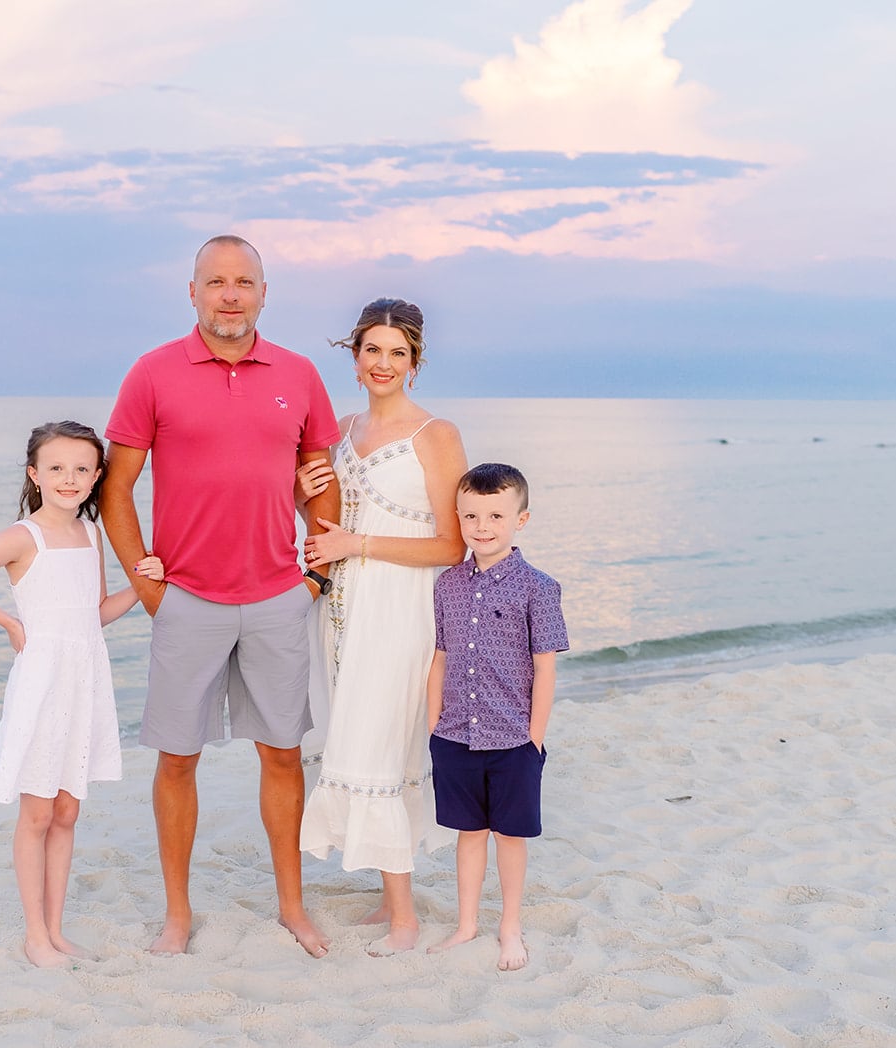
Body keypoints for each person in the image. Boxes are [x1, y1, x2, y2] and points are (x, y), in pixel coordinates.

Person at [100, 235, 342, 958]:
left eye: (244, 281)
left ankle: (292, 906)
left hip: (277, 597)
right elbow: (117, 488)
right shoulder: (152, 372)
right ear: (194, 291)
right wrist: (150, 588)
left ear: (264, 292)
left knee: (283, 754)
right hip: (188, 601)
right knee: (177, 758)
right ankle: (178, 915)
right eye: (216, 282)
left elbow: (321, 479)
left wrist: (315, 577)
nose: (229, 294)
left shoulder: (298, 374)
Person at [0, 420, 162, 969]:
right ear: (35, 474)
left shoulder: (92, 534)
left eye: (83, 468)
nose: (70, 478)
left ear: (98, 475)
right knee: (36, 814)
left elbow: (94, 614)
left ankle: (57, 931)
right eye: (56, 467)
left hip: (84, 681)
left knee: (66, 812)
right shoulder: (22, 536)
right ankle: (34, 934)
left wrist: (145, 582)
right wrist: (9, 624)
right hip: (41, 682)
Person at [293, 298, 467, 956]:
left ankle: (404, 920)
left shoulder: (436, 434)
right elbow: (318, 520)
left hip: (399, 605)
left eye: (398, 353)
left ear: (415, 364)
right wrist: (297, 487)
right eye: (373, 350)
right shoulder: (337, 429)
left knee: (376, 744)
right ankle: (389, 897)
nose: (384, 363)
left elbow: (451, 544)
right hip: (340, 607)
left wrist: (357, 545)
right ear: (355, 355)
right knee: (355, 737)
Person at [425, 462, 569, 971]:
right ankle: (466, 925)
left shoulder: (539, 587)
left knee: (510, 836)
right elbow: (439, 658)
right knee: (468, 834)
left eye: (494, 515)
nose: (481, 526)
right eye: (470, 516)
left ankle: (510, 926)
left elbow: (545, 668)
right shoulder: (446, 585)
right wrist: (432, 729)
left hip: (513, 739)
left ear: (520, 520)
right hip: (455, 734)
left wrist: (534, 739)